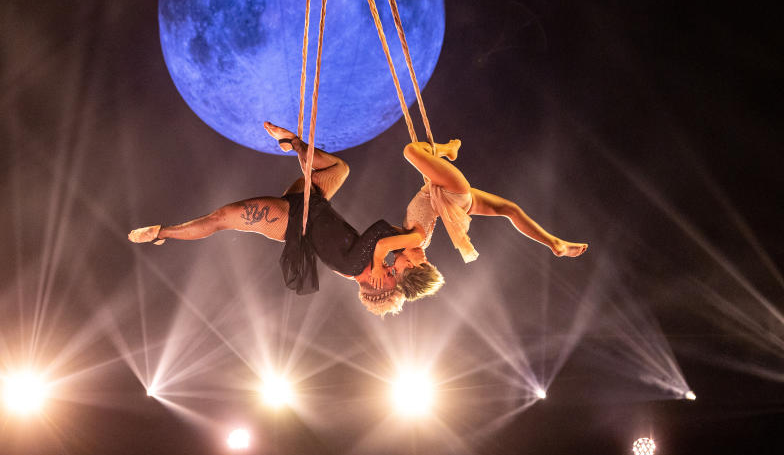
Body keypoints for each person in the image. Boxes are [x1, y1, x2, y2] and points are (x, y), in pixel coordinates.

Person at [128, 123, 431, 316]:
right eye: (395, 273)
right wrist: (399, 250)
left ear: (379, 284)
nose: (392, 270)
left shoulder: (356, 266)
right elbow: (379, 239)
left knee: (222, 218)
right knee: (340, 169)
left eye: (391, 277)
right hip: (312, 201)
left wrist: (406, 242)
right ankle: (294, 142)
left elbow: (379, 230)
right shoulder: (356, 267)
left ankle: (162, 232)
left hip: (287, 220)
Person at [376, 139, 588, 295]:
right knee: (410, 151)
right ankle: (447, 149)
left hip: (453, 203)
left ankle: (554, 243)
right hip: (451, 191)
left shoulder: (414, 244)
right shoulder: (415, 242)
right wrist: (377, 266)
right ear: (413, 266)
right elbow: (381, 246)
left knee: (510, 210)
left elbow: (380, 236)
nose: (393, 267)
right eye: (398, 271)